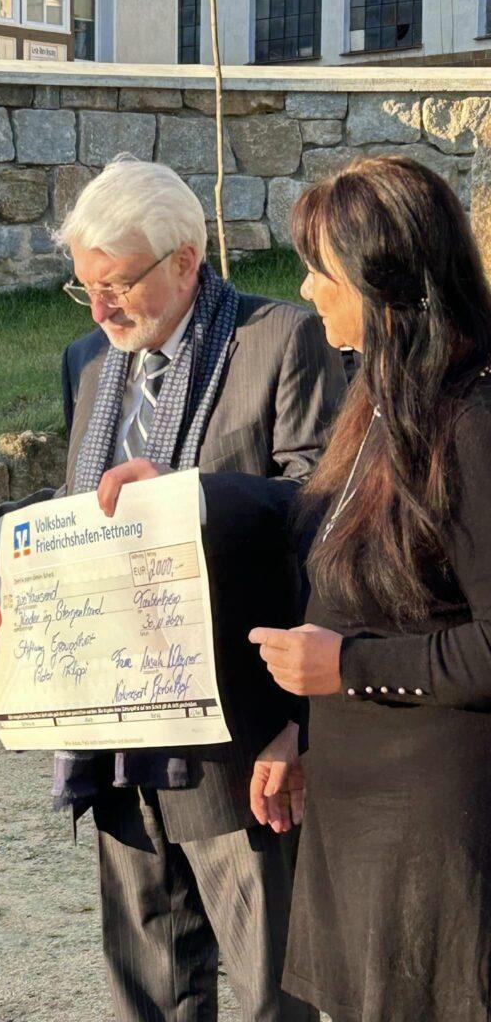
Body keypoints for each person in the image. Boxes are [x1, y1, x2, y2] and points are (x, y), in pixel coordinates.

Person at [0, 157, 345, 1022]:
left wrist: (188, 492)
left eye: (118, 284)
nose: (100, 309)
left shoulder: (283, 340)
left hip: (238, 739)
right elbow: (84, 516)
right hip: (115, 738)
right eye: (84, 289)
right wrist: (16, 579)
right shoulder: (90, 365)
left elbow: (324, 515)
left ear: (185, 260)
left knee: (267, 993)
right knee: (146, 988)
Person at [249, 154, 491, 1022]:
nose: (308, 291)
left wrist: (348, 668)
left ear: (386, 279)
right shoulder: (382, 400)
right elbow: (359, 588)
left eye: (323, 270)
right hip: (358, 807)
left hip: (434, 825)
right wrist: (299, 730)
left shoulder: (470, 419)